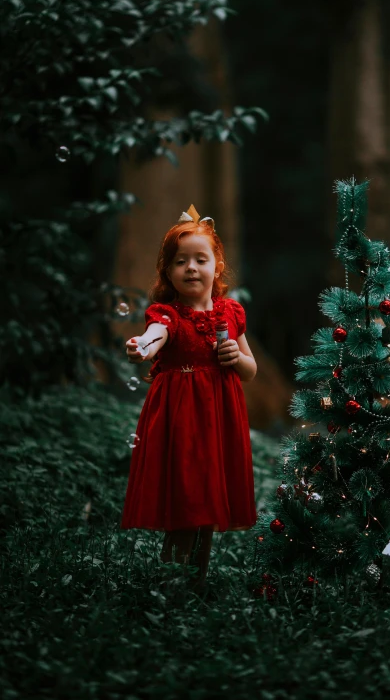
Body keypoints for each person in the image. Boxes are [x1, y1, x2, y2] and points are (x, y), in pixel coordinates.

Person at [120, 204, 257, 595]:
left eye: (201, 259)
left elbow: (250, 370)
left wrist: (237, 358)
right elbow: (154, 336)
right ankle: (171, 584)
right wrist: (141, 347)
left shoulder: (231, 312)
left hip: (220, 415)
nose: (192, 268)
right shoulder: (166, 314)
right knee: (186, 494)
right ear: (167, 272)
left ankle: (194, 582)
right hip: (180, 417)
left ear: (218, 266)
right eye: (181, 262)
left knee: (209, 495)